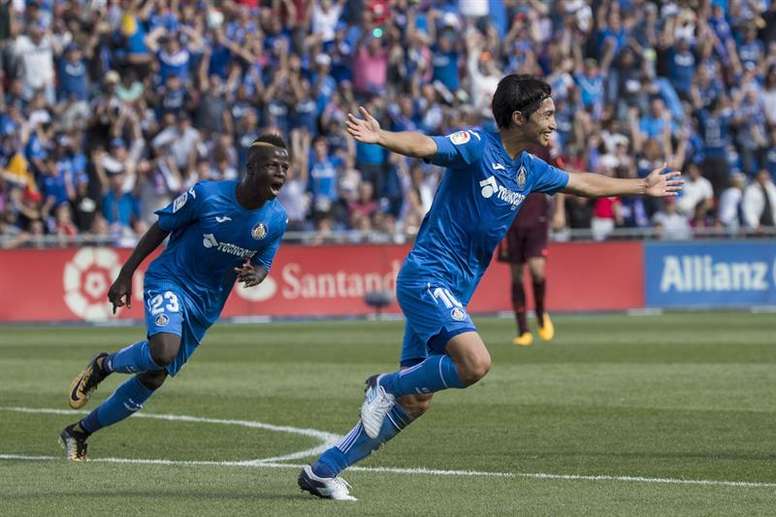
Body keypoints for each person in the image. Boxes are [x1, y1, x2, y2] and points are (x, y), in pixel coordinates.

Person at [297, 75, 683, 500]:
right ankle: (384, 384)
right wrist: (381, 136)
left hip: (454, 290)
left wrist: (641, 187)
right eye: (548, 114)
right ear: (519, 117)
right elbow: (428, 144)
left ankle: (324, 469)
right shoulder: (478, 145)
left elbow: (582, 183)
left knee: (418, 399)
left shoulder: (529, 169)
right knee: (475, 364)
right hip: (427, 276)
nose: (555, 123)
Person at [59, 135, 290, 461]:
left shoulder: (276, 219)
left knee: (153, 376)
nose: (281, 173)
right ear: (251, 168)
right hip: (171, 279)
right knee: (163, 351)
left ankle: (79, 432)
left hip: (207, 304)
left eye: (285, 167)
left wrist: (259, 274)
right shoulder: (206, 194)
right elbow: (160, 228)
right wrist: (125, 275)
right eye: (272, 165)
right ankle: (104, 364)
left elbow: (266, 259)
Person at [497, 145, 563, 346]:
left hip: (537, 219)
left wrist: (560, 211)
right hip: (511, 221)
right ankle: (523, 329)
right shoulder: (504, 145)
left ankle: (541, 313)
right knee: (516, 274)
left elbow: (562, 177)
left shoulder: (544, 148)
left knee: (537, 271)